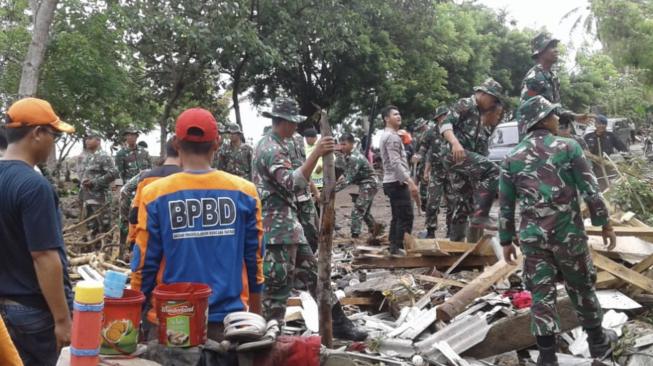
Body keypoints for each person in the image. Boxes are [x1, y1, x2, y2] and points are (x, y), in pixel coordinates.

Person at [500, 96, 618, 365]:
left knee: (541, 293)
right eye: (553, 115)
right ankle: (598, 344)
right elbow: (591, 189)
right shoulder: (569, 147)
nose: (557, 119)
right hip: (568, 237)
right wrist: (605, 223)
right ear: (541, 119)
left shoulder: (511, 157)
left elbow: (506, 204)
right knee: (582, 287)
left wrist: (506, 240)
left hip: (533, 240)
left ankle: (547, 356)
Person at [131, 108, 264, 341]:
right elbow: (254, 260)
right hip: (229, 322)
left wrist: (134, 314)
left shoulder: (154, 194)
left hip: (172, 319)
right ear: (217, 143)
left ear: (176, 142)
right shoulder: (245, 192)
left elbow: (144, 263)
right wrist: (254, 313)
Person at [253, 97, 366, 341]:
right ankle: (273, 339)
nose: (296, 128)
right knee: (278, 288)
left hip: (290, 224)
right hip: (276, 229)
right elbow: (293, 182)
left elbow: (301, 176)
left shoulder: (287, 142)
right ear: (280, 121)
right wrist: (317, 152)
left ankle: (338, 323)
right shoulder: (268, 148)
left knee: (316, 276)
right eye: (292, 123)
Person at [0, 97, 75, 366]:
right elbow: (44, 256)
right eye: (53, 135)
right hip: (30, 311)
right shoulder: (34, 186)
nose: (54, 142)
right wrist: (62, 319)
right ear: (37, 133)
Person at [439, 79, 503, 241]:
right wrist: (455, 144)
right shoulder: (466, 104)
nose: (493, 103)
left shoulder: (480, 117)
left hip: (464, 160)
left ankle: (456, 243)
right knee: (494, 170)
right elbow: (445, 124)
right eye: (492, 99)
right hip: (454, 155)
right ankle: (481, 215)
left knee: (463, 201)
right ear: (482, 93)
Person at [520, 32, 591, 139]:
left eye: (555, 47)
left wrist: (573, 117)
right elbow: (529, 110)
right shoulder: (533, 79)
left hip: (554, 130)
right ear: (541, 52)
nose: (556, 50)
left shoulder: (553, 77)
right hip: (539, 136)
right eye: (551, 47)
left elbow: (556, 107)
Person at [123, 137, 182, 256]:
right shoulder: (187, 177)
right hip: (177, 243)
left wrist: (132, 241)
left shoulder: (145, 177)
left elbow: (134, 214)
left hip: (148, 240)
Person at [379, 106, 419, 254]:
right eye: (395, 114)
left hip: (391, 181)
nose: (399, 116)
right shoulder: (392, 137)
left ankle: (394, 246)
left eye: (399, 113)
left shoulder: (388, 135)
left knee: (397, 215)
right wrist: (410, 181)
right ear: (386, 118)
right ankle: (400, 247)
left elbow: (395, 160)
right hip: (396, 182)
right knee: (406, 216)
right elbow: (395, 163)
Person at [411, 106, 450, 238]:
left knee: (453, 202)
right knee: (432, 202)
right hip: (437, 172)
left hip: (452, 172)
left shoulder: (454, 130)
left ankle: (451, 231)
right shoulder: (431, 133)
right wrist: (419, 156)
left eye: (447, 115)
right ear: (439, 118)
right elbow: (425, 149)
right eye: (443, 115)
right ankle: (431, 230)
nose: (446, 117)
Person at [336, 133, 383, 238]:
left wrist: (331, 191)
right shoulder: (346, 156)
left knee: (358, 209)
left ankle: (355, 235)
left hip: (369, 183)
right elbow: (344, 172)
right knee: (364, 212)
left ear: (352, 144)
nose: (342, 147)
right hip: (365, 183)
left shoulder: (354, 157)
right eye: (341, 144)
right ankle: (376, 230)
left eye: (344, 144)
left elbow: (348, 180)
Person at [115, 127, 152, 247]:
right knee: (125, 220)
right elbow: (118, 174)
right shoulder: (121, 154)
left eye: (134, 135)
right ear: (126, 137)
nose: (131, 137)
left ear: (137, 137)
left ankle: (139, 245)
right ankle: (122, 247)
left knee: (142, 218)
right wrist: (118, 192)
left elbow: (150, 171)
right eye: (129, 135)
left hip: (143, 192)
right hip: (128, 193)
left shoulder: (144, 152)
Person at [79, 131, 119, 239]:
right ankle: (93, 250)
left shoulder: (104, 156)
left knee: (105, 225)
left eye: (90, 138)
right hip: (87, 198)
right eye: (86, 138)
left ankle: (107, 250)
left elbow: (113, 174)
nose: (86, 140)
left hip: (100, 198)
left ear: (98, 140)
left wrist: (94, 182)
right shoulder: (87, 157)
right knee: (91, 226)